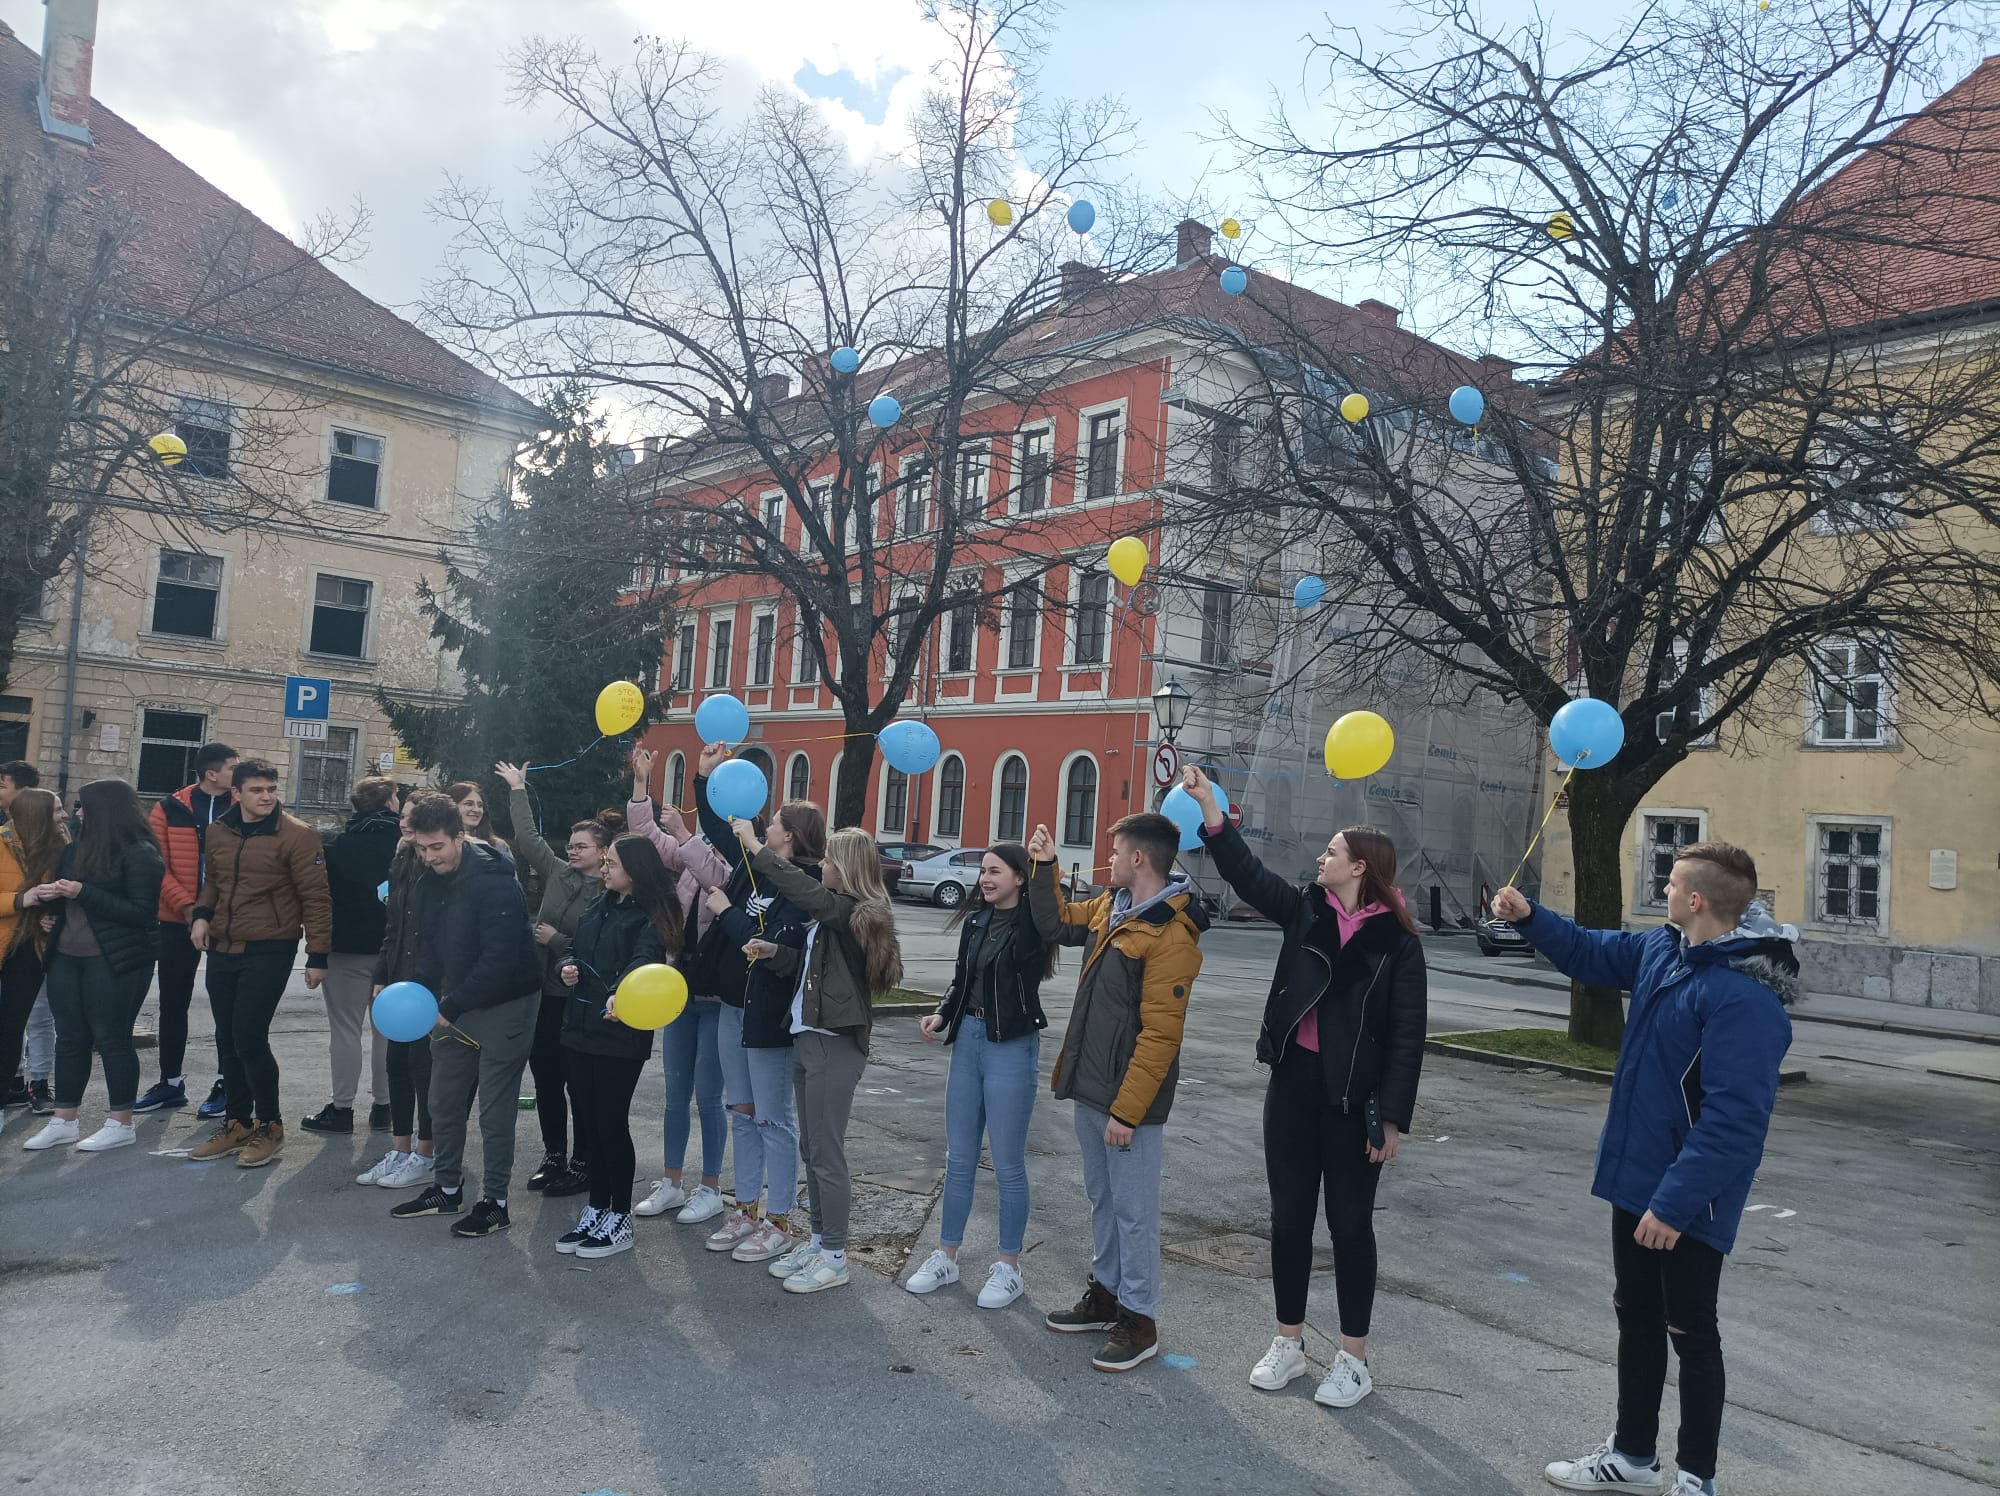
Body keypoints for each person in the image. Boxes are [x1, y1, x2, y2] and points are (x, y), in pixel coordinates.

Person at [1493, 849, 1797, 1496]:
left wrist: (1674, 1204)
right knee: (1635, 1317)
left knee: (1692, 1333)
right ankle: (1632, 1457)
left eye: (1673, 882)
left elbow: (1735, 1123)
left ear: (1696, 900)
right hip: (1636, 1183)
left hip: (1688, 1202)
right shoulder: (1663, 951)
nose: (1664, 888)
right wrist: (1528, 917)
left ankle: (1695, 1479)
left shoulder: (1746, 998)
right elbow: (1587, 951)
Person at [1183, 767, 1427, 1410]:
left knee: (1350, 1228)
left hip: (1354, 1102)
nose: (1322, 858)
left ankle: (1353, 1359)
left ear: (1360, 868)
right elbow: (1247, 875)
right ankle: (1287, 1342)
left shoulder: (1397, 942)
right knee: (1288, 1220)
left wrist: (1392, 1118)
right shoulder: (1305, 911)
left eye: (1333, 852)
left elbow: (1408, 1035)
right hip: (1293, 1086)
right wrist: (1211, 809)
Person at [1043, 811, 1206, 1373]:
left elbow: (1161, 1036)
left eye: (1115, 852)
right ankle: (1106, 1295)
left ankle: (1139, 1319)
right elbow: (1055, 921)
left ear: (1139, 858)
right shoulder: (1111, 909)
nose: (1107, 860)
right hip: (1091, 1089)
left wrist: (1128, 1113)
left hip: (1126, 1105)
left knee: (1134, 1213)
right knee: (1104, 1201)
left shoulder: (1171, 934)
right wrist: (1044, 867)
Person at [734, 819, 904, 1294]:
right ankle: (817, 1241)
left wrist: (756, 848)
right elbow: (816, 972)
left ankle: (834, 1255)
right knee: (812, 1149)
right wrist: (775, 953)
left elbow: (805, 892)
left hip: (834, 1042)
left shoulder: (852, 912)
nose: (821, 865)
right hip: (809, 1037)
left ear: (845, 868)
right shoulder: (834, 917)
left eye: (829, 859)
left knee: (827, 1154)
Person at [907, 840, 1061, 1309]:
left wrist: (1046, 865)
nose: (985, 879)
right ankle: (946, 1255)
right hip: (969, 1040)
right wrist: (942, 1013)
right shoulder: (976, 922)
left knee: (1008, 1163)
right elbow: (962, 980)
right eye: (983, 871)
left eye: (995, 871)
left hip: (1010, 1045)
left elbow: (1049, 905)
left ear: (1019, 878)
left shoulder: (1032, 925)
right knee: (959, 1158)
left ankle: (1009, 1267)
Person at [388, 794, 541, 1237]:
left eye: (437, 847)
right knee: (442, 1100)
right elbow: (429, 948)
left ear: (460, 837)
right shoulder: (428, 880)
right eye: (422, 848)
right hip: (455, 1001)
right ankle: (447, 1188)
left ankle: (495, 1203)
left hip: (506, 1001)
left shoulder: (495, 880)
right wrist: (422, 992)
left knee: (494, 1111)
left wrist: (450, 1007)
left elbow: (499, 959)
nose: (429, 857)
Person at [696, 744, 823, 1264]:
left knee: (773, 1119)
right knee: (742, 1113)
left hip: (769, 1016)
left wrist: (726, 911)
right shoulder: (753, 868)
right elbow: (720, 828)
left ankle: (779, 1218)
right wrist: (705, 779)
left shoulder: (805, 885)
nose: (763, 827)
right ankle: (745, 1208)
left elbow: (766, 943)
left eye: (772, 824)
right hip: (732, 1007)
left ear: (788, 836)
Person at [185, 760, 333, 1170]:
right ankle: (237, 1123)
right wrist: (201, 915)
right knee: (226, 1039)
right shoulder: (219, 830)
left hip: (271, 948)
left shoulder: (298, 835)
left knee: (249, 1037)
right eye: (257, 790)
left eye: (271, 789)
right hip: (222, 947)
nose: (267, 797)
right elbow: (214, 882)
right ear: (237, 793)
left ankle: (270, 1125)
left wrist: (317, 955)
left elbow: (316, 898)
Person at [552, 834, 686, 1259]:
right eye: (606, 862)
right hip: (579, 1027)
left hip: (619, 1033)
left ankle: (619, 1215)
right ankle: (596, 1207)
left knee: (611, 1123)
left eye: (611, 863)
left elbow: (644, 960)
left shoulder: (651, 914)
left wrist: (619, 994)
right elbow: (573, 949)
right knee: (589, 1123)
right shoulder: (598, 905)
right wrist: (566, 967)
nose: (604, 868)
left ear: (635, 869)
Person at [20, 779, 165, 1153]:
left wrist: (84, 892)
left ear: (105, 810)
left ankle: (121, 1123)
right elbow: (68, 903)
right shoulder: (74, 849)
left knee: (113, 1038)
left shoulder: (141, 852)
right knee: (70, 1039)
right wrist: (50, 908)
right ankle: (63, 1121)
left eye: (83, 806)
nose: (77, 813)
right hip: (66, 957)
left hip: (116, 960)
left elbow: (141, 913)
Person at [626, 745, 731, 1225]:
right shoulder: (690, 855)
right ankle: (671, 1182)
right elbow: (646, 838)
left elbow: (715, 877)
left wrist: (687, 834)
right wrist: (641, 783)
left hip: (716, 998)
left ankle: (711, 1187)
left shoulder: (740, 860)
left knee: (708, 1098)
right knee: (674, 1095)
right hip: (679, 993)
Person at [495, 760, 602, 1198]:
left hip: (581, 999)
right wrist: (518, 789)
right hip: (545, 994)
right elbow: (527, 839)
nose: (572, 851)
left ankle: (584, 1161)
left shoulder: (609, 890)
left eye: (582, 846)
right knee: (546, 1078)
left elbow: (600, 947)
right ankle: (554, 1154)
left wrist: (556, 939)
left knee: (580, 1083)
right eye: (571, 846)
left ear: (604, 852)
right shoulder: (558, 872)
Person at [138, 742, 235, 1117]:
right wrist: (189, 908)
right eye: (232, 768)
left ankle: (226, 1081)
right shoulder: (168, 807)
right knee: (173, 1001)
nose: (237, 774)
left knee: (226, 1002)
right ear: (212, 774)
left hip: (226, 918)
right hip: (175, 918)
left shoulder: (240, 806)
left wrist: (213, 911)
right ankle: (170, 1082)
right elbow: (156, 865)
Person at [357, 792, 444, 1190]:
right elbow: (392, 929)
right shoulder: (401, 860)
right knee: (397, 1065)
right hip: (399, 983)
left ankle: (426, 1154)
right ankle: (400, 1149)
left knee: (424, 1070)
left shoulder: (440, 867)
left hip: (431, 986)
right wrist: (381, 975)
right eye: (403, 815)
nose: (404, 822)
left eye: (413, 817)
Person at [306, 776, 399, 1135]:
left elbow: (321, 899)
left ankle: (342, 1109)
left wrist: (318, 951)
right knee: (387, 1030)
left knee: (345, 1029)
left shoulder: (338, 847)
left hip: (345, 949)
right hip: (393, 949)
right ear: (389, 803)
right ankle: (385, 1107)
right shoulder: (405, 845)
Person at [1, 788, 65, 1122]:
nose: (63, 816)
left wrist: (49, 916)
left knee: (14, 1027)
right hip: (6, 942)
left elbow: (60, 898)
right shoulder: (1, 843)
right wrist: (20, 900)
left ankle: (7, 1098)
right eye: (56, 810)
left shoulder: (58, 847)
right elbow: (19, 897)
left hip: (31, 948)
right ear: (36, 815)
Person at [446, 780, 510, 862]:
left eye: (480, 805)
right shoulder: (439, 843)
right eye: (469, 804)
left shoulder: (497, 846)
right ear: (452, 806)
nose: (476, 810)